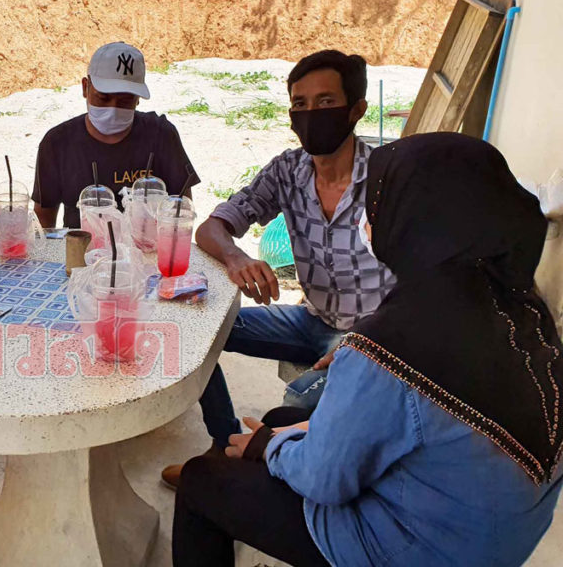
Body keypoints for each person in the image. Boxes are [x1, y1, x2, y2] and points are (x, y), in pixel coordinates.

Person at [173, 133, 563, 567]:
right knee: (284, 420)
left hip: (417, 549)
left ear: (413, 220)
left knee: (202, 480)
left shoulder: (390, 346)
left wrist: (269, 448)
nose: (368, 219)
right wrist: (286, 434)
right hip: (490, 536)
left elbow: (324, 480)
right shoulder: (526, 310)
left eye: (380, 204)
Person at [161, 50, 395, 488]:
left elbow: (428, 277)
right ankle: (224, 442)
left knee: (299, 403)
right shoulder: (289, 170)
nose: (310, 116)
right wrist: (238, 257)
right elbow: (213, 226)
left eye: (326, 103)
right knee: (198, 331)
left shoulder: (388, 176)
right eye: (300, 105)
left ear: (357, 110)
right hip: (311, 317)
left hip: (371, 334)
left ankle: (266, 472)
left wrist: (372, 342)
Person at [32, 41, 199, 229]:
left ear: (138, 100)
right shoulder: (58, 143)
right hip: (82, 252)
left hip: (147, 251)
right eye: (103, 98)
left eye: (125, 100)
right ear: (85, 87)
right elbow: (44, 223)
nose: (113, 108)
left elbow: (182, 213)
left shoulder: (161, 136)